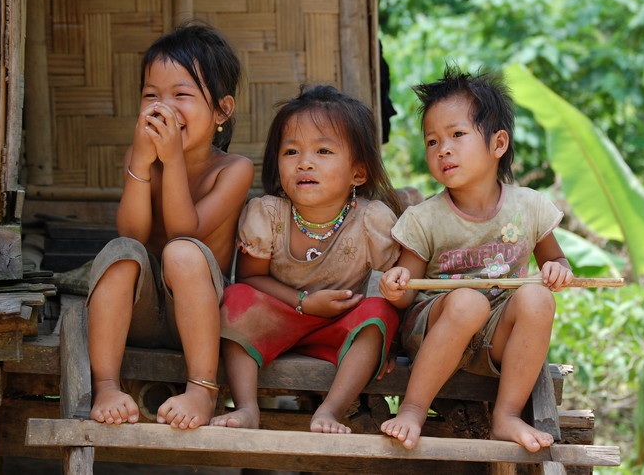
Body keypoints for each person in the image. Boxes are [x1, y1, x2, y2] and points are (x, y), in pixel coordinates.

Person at [379, 66, 573, 452]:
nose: (443, 149)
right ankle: (414, 410)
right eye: (432, 141)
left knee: (537, 297)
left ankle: (506, 417)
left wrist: (557, 271)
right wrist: (395, 283)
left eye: (456, 135)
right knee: (468, 302)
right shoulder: (424, 218)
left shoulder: (530, 207)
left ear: (498, 144)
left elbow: (559, 263)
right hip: (437, 328)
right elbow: (405, 294)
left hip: (495, 335)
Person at [87, 23, 254, 430]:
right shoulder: (140, 155)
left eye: (181, 95)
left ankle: (202, 388)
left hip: (198, 318)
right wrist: (142, 164)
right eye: (151, 96)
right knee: (120, 252)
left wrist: (173, 160)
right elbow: (133, 233)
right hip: (141, 316)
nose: (163, 108)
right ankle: (106, 385)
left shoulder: (234, 170)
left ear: (222, 111)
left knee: (181, 253)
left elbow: (185, 231)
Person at [210, 85, 402, 433]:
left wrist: (383, 340)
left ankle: (330, 411)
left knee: (380, 311)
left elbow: (392, 288)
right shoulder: (267, 214)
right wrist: (303, 302)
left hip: (342, 326)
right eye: (291, 151)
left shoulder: (373, 222)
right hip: (280, 319)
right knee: (236, 300)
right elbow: (250, 280)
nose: (305, 162)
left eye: (324, 150)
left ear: (358, 173)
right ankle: (246, 407)